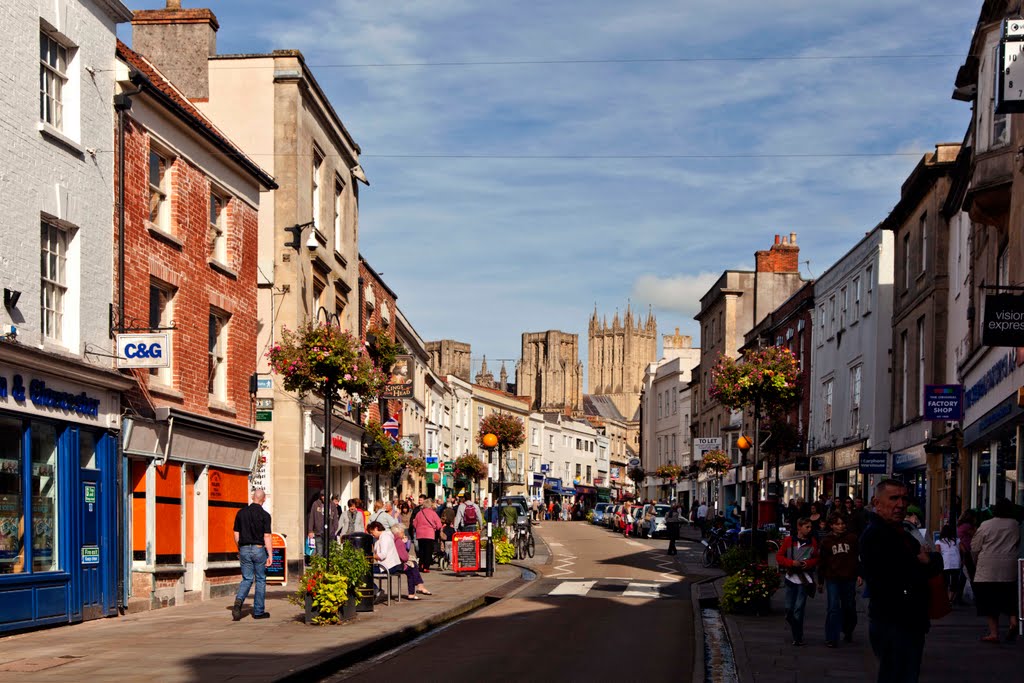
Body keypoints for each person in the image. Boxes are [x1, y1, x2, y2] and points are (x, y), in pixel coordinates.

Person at [860, 479, 942, 683]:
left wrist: (928, 561)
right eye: (894, 498)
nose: (901, 504)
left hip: (908, 619)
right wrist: (925, 563)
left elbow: (926, 562)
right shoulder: (876, 535)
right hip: (894, 619)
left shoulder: (900, 532)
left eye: (904, 498)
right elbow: (896, 577)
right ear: (877, 503)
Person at [971, 497, 1021, 643]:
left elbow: (975, 547)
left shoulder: (986, 525)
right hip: (1009, 567)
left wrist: (975, 561)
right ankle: (1013, 621)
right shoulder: (1015, 524)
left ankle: (994, 633)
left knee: (990, 602)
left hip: (988, 569)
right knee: (1009, 596)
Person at [817, 513, 861, 647]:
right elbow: (822, 562)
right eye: (837, 524)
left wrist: (860, 574)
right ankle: (831, 637)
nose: (841, 526)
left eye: (842, 523)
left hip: (849, 577)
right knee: (833, 608)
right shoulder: (826, 541)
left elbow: (858, 558)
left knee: (849, 607)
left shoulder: (852, 538)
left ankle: (848, 630)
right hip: (833, 578)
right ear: (831, 525)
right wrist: (820, 581)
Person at [776, 518, 819, 646]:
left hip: (804, 580)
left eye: (810, 527)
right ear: (799, 527)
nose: (810, 529)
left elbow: (816, 558)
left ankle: (797, 636)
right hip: (791, 579)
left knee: (798, 609)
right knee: (789, 609)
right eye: (807, 527)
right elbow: (779, 557)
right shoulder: (789, 541)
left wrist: (807, 563)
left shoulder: (812, 542)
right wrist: (791, 563)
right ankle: (796, 630)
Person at [232, 489, 273, 621]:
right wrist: (270, 554)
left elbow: (236, 533)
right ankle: (258, 611)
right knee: (260, 579)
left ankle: (238, 601)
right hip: (258, 549)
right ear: (264, 499)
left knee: (247, 579)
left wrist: (240, 549)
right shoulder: (265, 515)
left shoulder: (241, 513)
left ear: (252, 497)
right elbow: (267, 536)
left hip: (244, 548)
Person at [367, 522, 430, 601]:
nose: (372, 535)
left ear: (376, 528)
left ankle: (375, 590)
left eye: (372, 532)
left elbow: (382, 555)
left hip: (387, 566)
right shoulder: (386, 536)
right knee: (411, 568)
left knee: (365, 571)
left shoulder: (384, 537)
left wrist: (369, 556)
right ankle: (413, 592)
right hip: (393, 565)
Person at [391, 525, 432, 598]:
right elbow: (404, 557)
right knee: (412, 567)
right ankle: (417, 589)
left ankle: (416, 589)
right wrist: (405, 544)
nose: (404, 534)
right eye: (403, 532)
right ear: (399, 532)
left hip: (393, 563)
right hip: (396, 565)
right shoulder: (398, 542)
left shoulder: (392, 540)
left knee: (413, 566)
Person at [411, 496, 443, 572]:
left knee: (421, 550)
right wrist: (436, 528)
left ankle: (421, 564)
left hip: (420, 534)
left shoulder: (419, 513)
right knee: (428, 551)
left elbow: (414, 524)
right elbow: (439, 524)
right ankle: (426, 566)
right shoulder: (433, 513)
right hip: (429, 534)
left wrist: (419, 528)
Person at [935, 524, 961, 606]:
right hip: (956, 562)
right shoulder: (957, 540)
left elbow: (938, 553)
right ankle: (950, 600)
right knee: (954, 582)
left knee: (945, 582)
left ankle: (946, 600)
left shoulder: (939, 541)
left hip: (945, 563)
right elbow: (963, 550)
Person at [307, 490, 337, 557]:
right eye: (322, 496)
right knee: (319, 552)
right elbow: (311, 517)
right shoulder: (316, 504)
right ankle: (320, 567)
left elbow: (335, 518)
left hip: (330, 532)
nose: (323, 497)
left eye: (325, 496)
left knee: (329, 553)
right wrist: (310, 530)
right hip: (318, 532)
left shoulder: (332, 505)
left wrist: (334, 529)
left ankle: (328, 566)